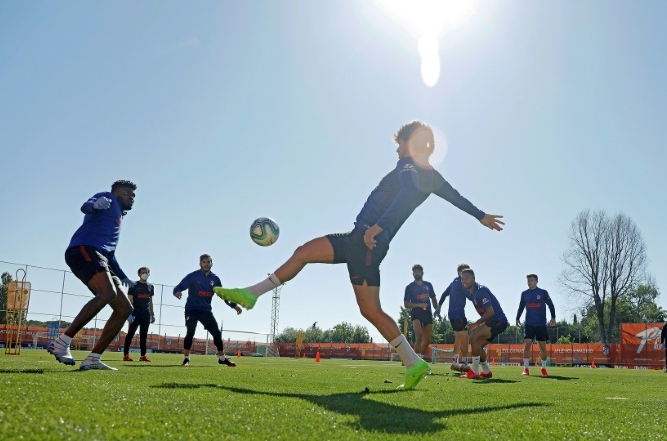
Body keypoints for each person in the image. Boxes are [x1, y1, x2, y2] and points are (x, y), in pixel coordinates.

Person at [215, 121, 503, 389]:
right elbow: (454, 196)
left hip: (367, 241)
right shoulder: (431, 174)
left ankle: (413, 362)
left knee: (365, 305)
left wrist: (379, 226)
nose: (397, 149)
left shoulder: (408, 166)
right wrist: (480, 215)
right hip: (361, 239)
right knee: (326, 272)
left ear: (411, 142)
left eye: (400, 143)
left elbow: (405, 197)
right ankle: (414, 363)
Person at [48, 180, 137, 370]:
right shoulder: (107, 198)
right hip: (83, 249)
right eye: (127, 193)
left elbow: (110, 255)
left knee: (125, 308)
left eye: (134, 195)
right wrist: (95, 205)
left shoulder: (118, 216)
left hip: (99, 256)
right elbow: (85, 206)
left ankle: (93, 358)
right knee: (107, 293)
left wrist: (123, 277)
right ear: (117, 193)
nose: (132, 197)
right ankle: (62, 341)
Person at [173, 254, 242, 367]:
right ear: (200, 264)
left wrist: (234, 306)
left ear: (211, 264)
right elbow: (179, 286)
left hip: (205, 311)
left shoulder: (215, 279)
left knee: (217, 333)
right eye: (204, 262)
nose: (206, 264)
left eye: (208, 262)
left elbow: (223, 295)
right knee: (190, 332)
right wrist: (177, 292)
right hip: (191, 309)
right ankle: (186, 359)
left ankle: (222, 358)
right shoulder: (193, 276)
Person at [458, 268, 509, 379]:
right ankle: (486, 371)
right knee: (478, 346)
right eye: (462, 279)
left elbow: (490, 312)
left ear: (474, 279)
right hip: (495, 322)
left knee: (474, 337)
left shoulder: (481, 291)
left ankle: (474, 371)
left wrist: (475, 324)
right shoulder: (473, 294)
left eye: (466, 278)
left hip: (498, 321)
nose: (464, 281)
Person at [515, 274, 556, 377]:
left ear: (536, 281)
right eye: (528, 280)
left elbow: (551, 305)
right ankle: (526, 369)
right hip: (529, 324)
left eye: (531, 280)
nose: (529, 282)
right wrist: (517, 318)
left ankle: (543, 368)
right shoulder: (524, 294)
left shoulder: (543, 293)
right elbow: (521, 307)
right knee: (527, 344)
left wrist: (553, 317)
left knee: (542, 346)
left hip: (541, 324)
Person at [435, 263, 472, 372]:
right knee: (465, 337)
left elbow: (444, 294)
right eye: (464, 272)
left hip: (452, 314)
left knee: (458, 338)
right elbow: (470, 296)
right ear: (459, 273)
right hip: (458, 314)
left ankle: (455, 363)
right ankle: (465, 364)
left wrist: (439, 307)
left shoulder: (453, 283)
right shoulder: (460, 283)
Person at [403, 264, 438, 359]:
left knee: (427, 340)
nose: (416, 273)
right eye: (415, 272)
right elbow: (406, 304)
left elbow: (434, 299)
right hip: (416, 313)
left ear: (422, 273)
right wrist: (418, 305)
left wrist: (437, 310)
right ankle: (416, 360)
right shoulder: (409, 287)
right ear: (413, 274)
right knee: (419, 335)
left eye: (418, 271)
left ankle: (418, 358)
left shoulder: (428, 285)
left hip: (428, 313)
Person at [123, 267, 156, 362]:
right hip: (135, 313)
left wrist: (152, 314)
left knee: (144, 335)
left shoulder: (151, 286)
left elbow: (151, 301)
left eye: (146, 272)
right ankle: (126, 355)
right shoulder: (134, 285)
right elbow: (129, 300)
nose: (145, 274)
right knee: (130, 333)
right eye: (143, 272)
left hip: (146, 314)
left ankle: (143, 356)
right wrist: (128, 314)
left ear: (149, 274)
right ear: (139, 274)